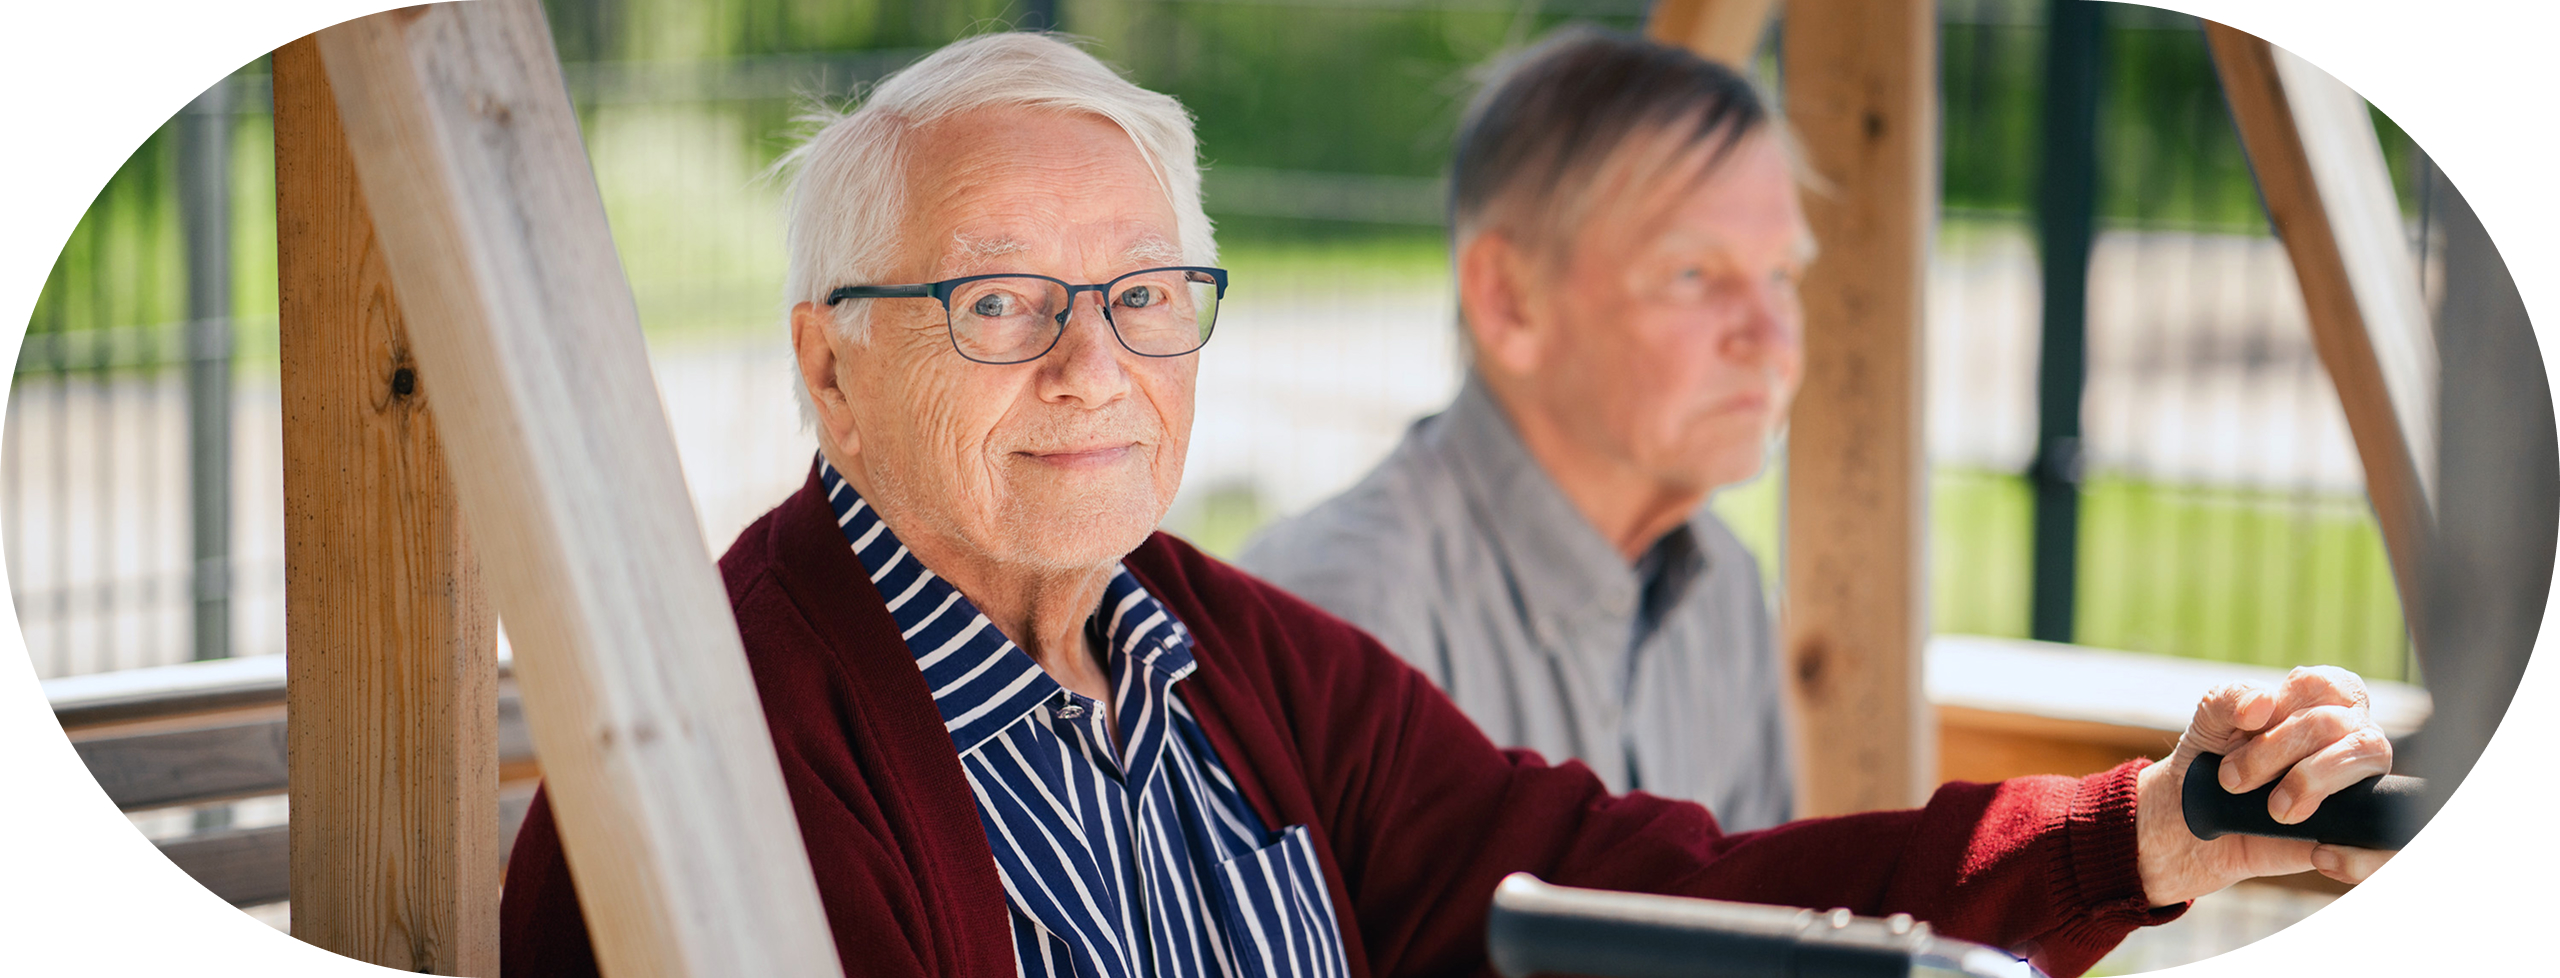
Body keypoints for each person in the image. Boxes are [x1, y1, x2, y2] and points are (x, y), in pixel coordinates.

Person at [499, 31, 2398, 978]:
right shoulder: (736, 716)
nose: (1094, 368)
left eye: (1149, 295)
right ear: (831, 363)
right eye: (999, 302)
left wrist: (2135, 832)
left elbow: (1618, 882)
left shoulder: (1218, 644)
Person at [1239, 27, 1803, 829]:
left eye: (1783, 276)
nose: (1772, 339)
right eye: (1693, 275)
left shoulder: (1725, 587)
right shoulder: (1343, 622)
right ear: (1509, 300)